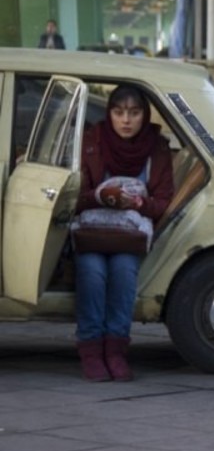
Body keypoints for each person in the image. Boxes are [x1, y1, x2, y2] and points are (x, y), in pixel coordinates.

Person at [75, 85, 174, 382]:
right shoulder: (92, 141)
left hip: (129, 237)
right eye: (119, 112)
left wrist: (140, 203)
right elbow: (74, 196)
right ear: (110, 113)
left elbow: (164, 202)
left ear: (145, 115)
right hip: (92, 232)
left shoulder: (156, 147)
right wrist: (101, 197)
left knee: (123, 272)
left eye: (134, 112)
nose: (126, 120)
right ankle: (91, 351)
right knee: (92, 274)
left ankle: (116, 351)